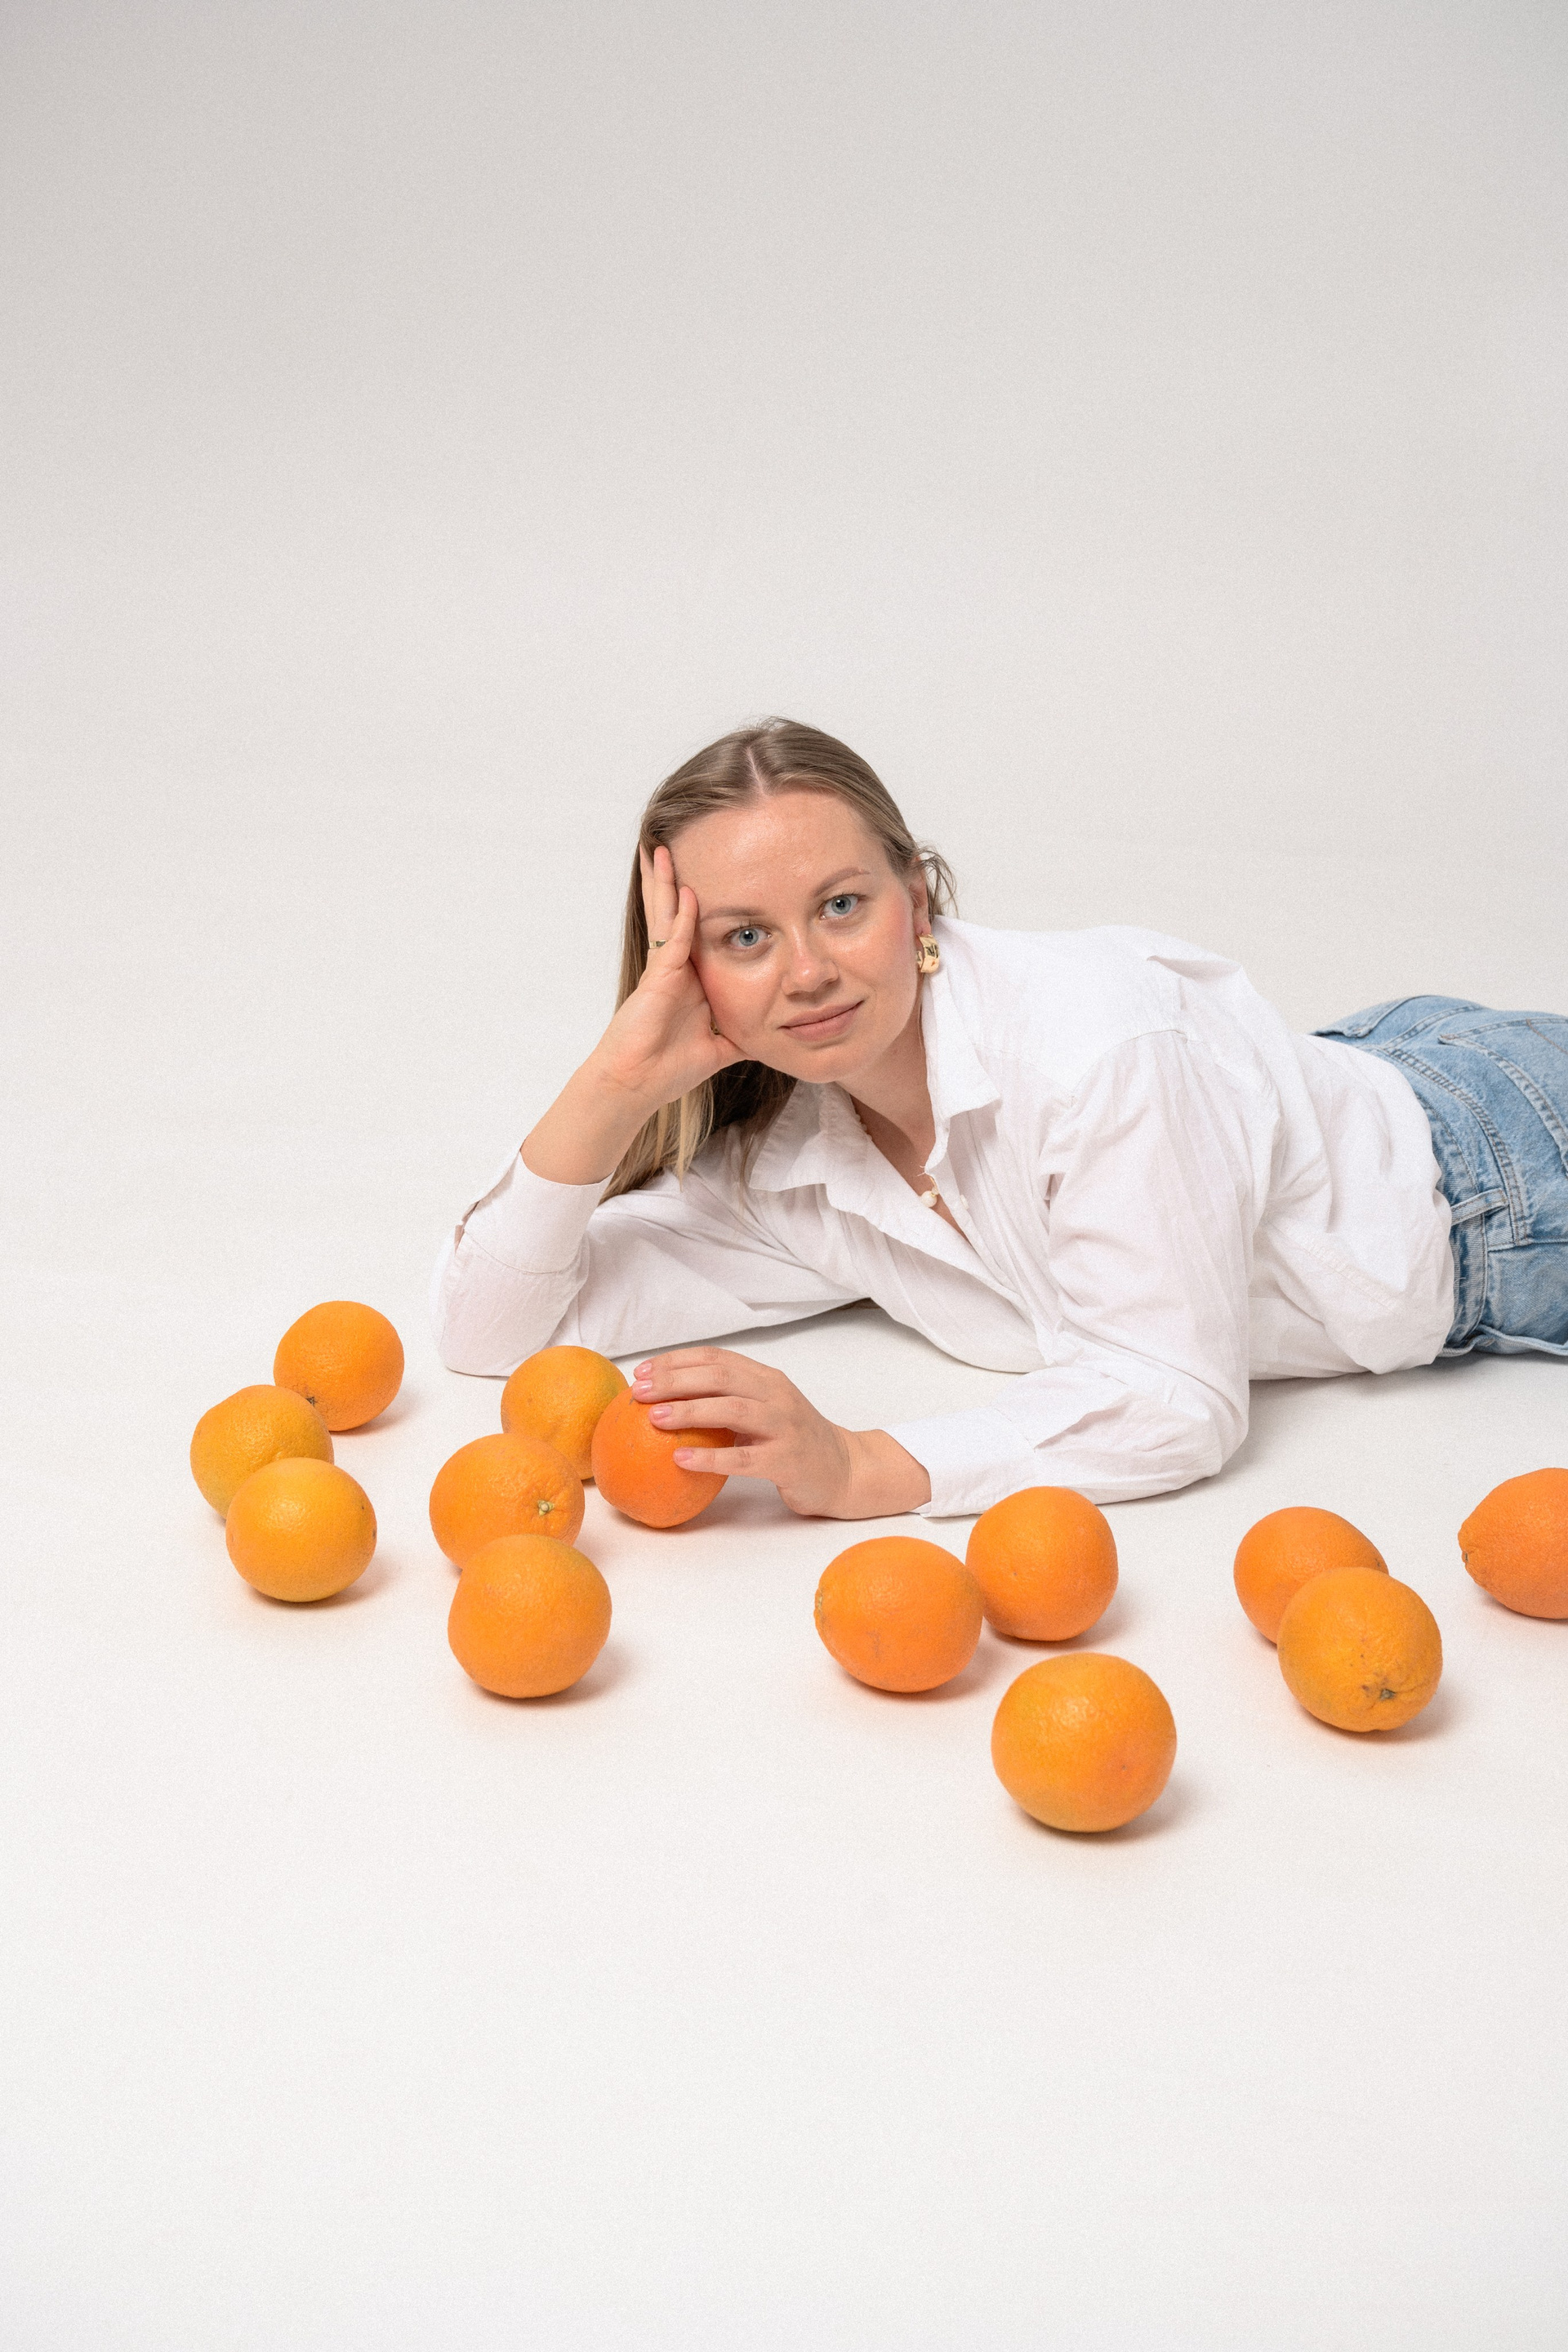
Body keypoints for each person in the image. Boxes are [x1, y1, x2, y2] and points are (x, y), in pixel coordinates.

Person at [431, 720, 1568, 1520]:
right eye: (745, 938)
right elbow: (494, 1333)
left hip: (1506, 1181)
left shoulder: (1098, 1054)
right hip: (1366, 1078)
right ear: (685, 969)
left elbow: (1175, 1399)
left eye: (841, 906)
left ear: (916, 900)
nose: (808, 972)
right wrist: (617, 1083)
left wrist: (861, 1464)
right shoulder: (793, 1163)